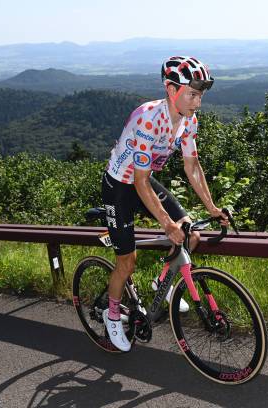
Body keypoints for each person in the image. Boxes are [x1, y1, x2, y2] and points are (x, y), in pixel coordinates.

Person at [101, 56, 228, 351]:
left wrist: (212, 208)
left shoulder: (188, 121)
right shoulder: (149, 118)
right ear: (171, 90)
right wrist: (167, 224)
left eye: (201, 96)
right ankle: (112, 314)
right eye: (193, 95)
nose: (198, 103)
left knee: (191, 234)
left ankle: (163, 284)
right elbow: (139, 181)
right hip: (120, 185)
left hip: (142, 182)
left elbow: (192, 167)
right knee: (127, 261)